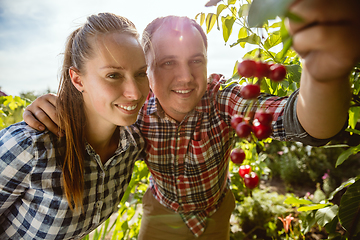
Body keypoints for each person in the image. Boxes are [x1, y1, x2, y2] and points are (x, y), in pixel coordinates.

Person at [22, 0, 360, 239]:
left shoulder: (222, 100)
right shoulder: (136, 114)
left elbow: (304, 123)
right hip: (162, 212)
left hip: (216, 209)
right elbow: (95, 112)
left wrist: (323, 74)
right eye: (167, 63)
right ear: (146, 73)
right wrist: (53, 106)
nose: (185, 77)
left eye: (195, 60)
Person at [0, 13, 149, 239]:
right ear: (78, 80)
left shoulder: (132, 145)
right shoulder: (30, 146)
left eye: (140, 73)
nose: (135, 92)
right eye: (113, 75)